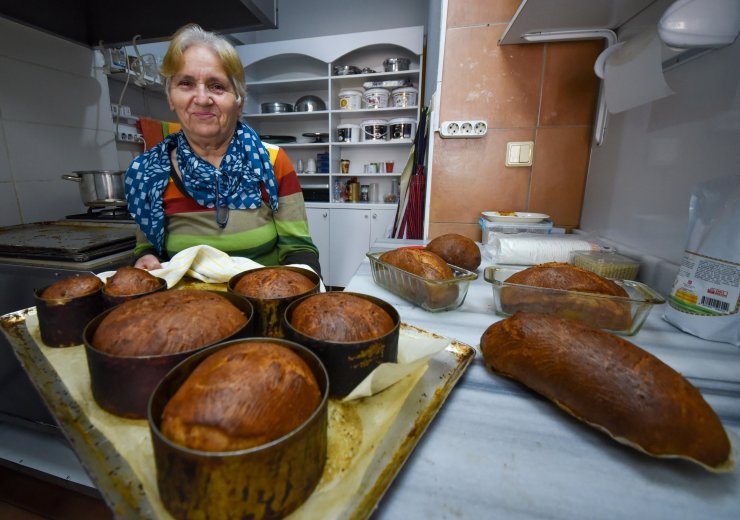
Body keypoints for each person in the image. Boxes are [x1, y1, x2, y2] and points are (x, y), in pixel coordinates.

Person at [125, 23, 321, 276]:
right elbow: (147, 246)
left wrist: (303, 282)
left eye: (217, 86)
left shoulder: (271, 161)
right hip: (184, 303)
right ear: (171, 98)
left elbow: (297, 247)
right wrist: (146, 257)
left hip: (262, 299)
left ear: (239, 102)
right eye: (186, 83)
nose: (203, 98)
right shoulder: (148, 171)